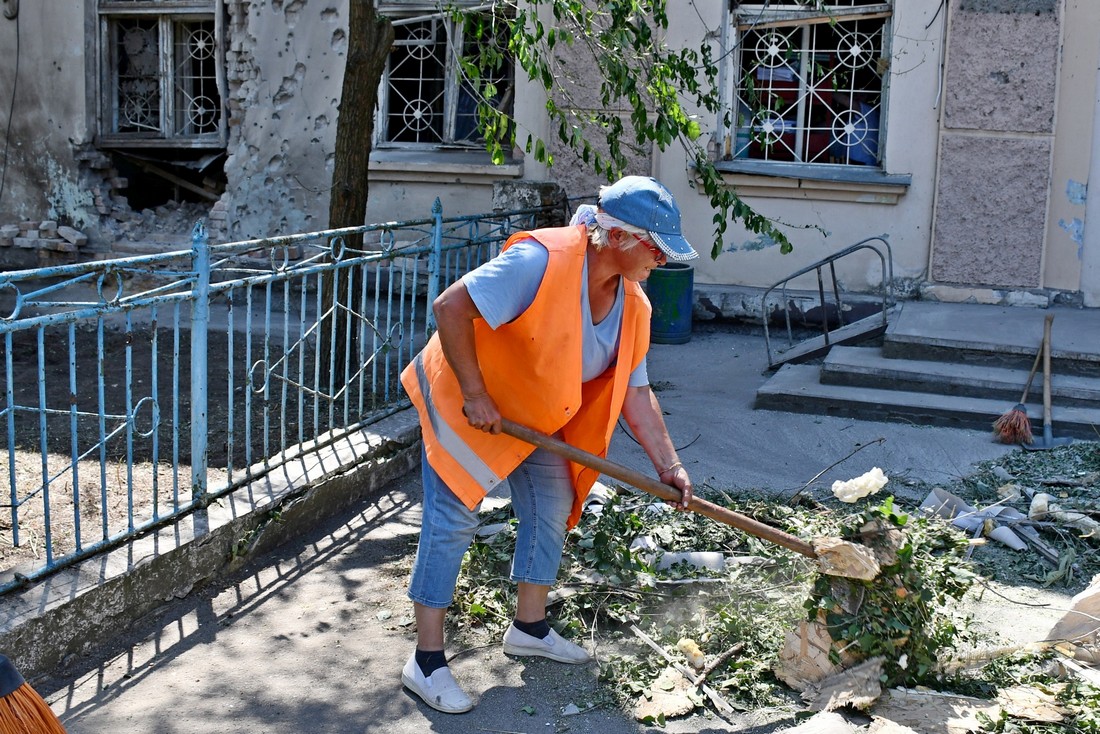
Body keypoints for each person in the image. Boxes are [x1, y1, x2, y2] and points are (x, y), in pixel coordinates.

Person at [398, 175, 697, 714]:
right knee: (454, 518)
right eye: (657, 249)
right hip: (467, 401)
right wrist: (474, 394)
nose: (663, 261)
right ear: (624, 239)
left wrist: (668, 465)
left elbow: (636, 391)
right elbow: (449, 308)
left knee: (552, 502)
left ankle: (529, 628)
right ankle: (425, 662)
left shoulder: (634, 306)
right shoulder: (541, 261)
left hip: (529, 417)